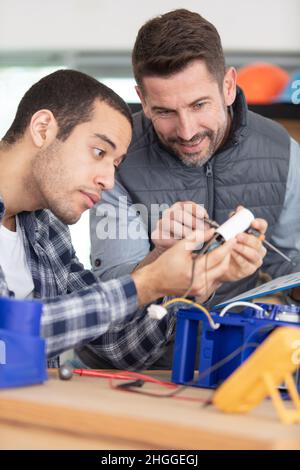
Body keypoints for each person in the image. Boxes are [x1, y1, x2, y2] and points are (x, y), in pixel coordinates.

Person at [0, 69, 259, 365]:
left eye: (116, 163)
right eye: (99, 152)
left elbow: (116, 346)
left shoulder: (46, 228)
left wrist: (194, 275)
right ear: (43, 128)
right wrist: (146, 283)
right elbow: (8, 334)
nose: (109, 181)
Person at [88, 9, 300, 369]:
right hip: (133, 371)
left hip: (235, 365)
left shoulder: (283, 151)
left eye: (199, 105)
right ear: (140, 95)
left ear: (229, 86)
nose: (186, 131)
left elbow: (291, 272)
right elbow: (112, 295)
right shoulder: (116, 156)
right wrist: (158, 256)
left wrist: (278, 285)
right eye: (165, 111)